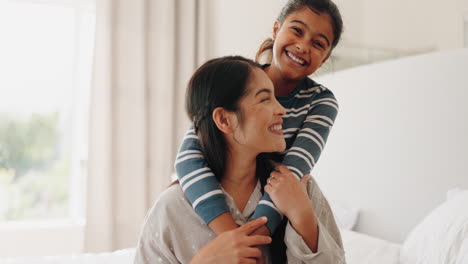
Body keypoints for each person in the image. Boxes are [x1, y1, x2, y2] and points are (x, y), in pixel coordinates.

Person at [134, 56, 344, 263]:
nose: (282, 110)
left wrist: (303, 217)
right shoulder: (171, 208)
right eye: (265, 99)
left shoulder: (300, 190)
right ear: (225, 119)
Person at [175, 0, 343, 237]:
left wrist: (258, 236)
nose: (303, 46)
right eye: (297, 30)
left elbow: (292, 171)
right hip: (219, 200)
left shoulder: (320, 102)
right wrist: (231, 235)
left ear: (325, 58)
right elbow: (188, 157)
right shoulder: (237, 79)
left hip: (268, 210)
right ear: (276, 30)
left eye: (317, 43)